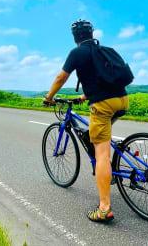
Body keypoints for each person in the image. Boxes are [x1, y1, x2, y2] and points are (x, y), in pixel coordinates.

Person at [43, 19, 129, 222]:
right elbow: (103, 78)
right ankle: (109, 167)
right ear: (92, 34)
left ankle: (104, 208)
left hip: (103, 105)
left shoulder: (77, 53)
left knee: (101, 154)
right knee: (97, 135)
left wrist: (48, 98)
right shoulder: (105, 50)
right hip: (122, 100)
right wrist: (83, 96)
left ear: (75, 38)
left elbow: (60, 79)